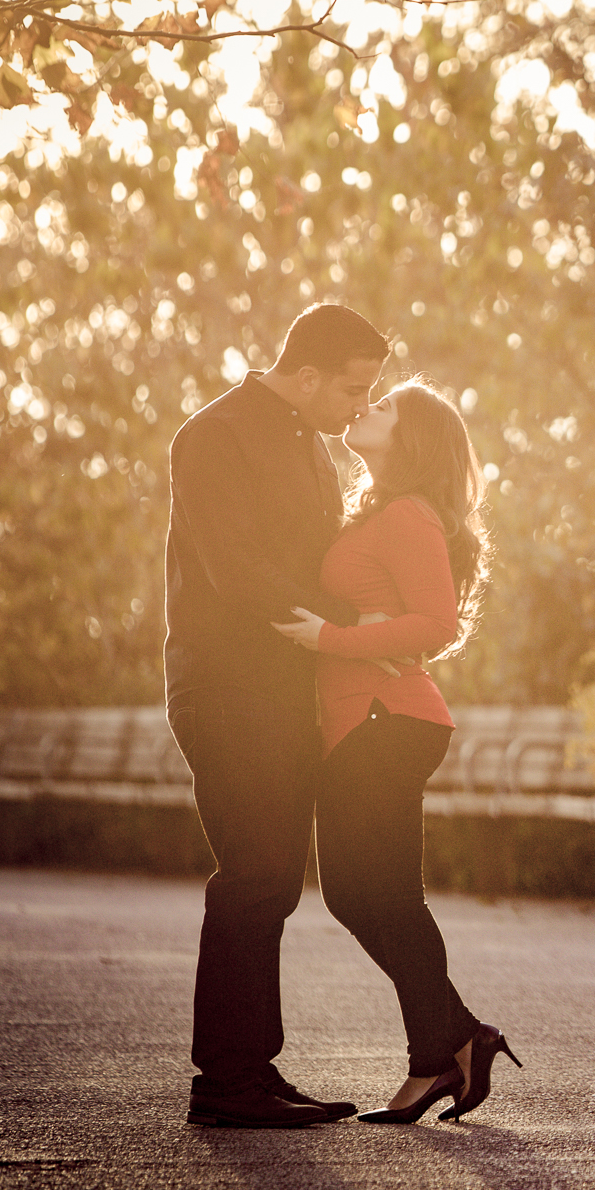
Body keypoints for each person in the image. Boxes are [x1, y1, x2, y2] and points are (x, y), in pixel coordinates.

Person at [271, 376, 520, 1124]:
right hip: (368, 723)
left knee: (384, 897)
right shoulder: (379, 509)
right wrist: (356, 627)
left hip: (389, 721)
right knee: (356, 896)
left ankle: (440, 1052)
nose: (365, 406)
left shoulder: (409, 512)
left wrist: (332, 637)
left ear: (411, 439)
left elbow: (436, 622)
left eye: (383, 406)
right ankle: (455, 1041)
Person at [164, 302, 389, 1128]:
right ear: (307, 375)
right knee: (254, 873)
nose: (361, 407)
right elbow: (235, 569)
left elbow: (318, 558)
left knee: (274, 879)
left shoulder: (310, 444)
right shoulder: (213, 434)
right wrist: (346, 623)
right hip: (226, 684)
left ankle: (251, 1070)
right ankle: (226, 1083)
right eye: (353, 390)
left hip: (287, 687)